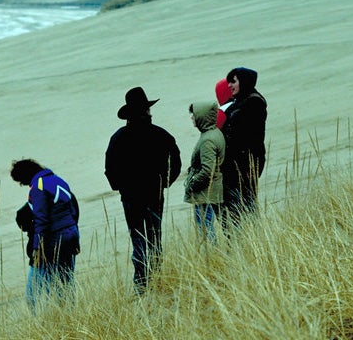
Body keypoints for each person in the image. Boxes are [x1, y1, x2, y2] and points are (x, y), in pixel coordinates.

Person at [104, 87, 181, 292]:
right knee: (155, 235)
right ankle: (157, 278)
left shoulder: (118, 138)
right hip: (154, 194)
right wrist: (165, 182)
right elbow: (177, 162)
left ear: (128, 115)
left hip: (130, 198)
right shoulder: (161, 135)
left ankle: (141, 284)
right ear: (147, 111)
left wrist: (120, 187)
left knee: (138, 237)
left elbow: (110, 169)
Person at [10, 159, 80, 307]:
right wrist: (76, 239)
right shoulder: (58, 181)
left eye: (21, 181)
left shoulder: (38, 187)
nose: (23, 185)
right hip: (71, 235)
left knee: (33, 294)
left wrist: (37, 248)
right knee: (66, 285)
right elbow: (73, 210)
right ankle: (71, 317)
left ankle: (43, 321)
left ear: (25, 176)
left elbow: (41, 220)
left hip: (54, 239)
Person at [221, 67, 267, 224]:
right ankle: (243, 236)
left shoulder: (254, 102)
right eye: (228, 82)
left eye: (233, 81)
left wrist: (249, 166)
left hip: (247, 163)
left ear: (244, 81)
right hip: (237, 163)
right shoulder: (239, 100)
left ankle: (252, 236)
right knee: (238, 205)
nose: (229, 85)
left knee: (248, 203)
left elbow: (250, 138)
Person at [184, 102, 225, 243]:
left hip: (205, 193)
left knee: (205, 230)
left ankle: (212, 257)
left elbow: (208, 170)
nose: (192, 118)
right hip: (211, 190)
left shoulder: (208, 140)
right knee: (210, 226)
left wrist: (192, 184)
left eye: (194, 115)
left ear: (202, 117)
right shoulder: (213, 133)